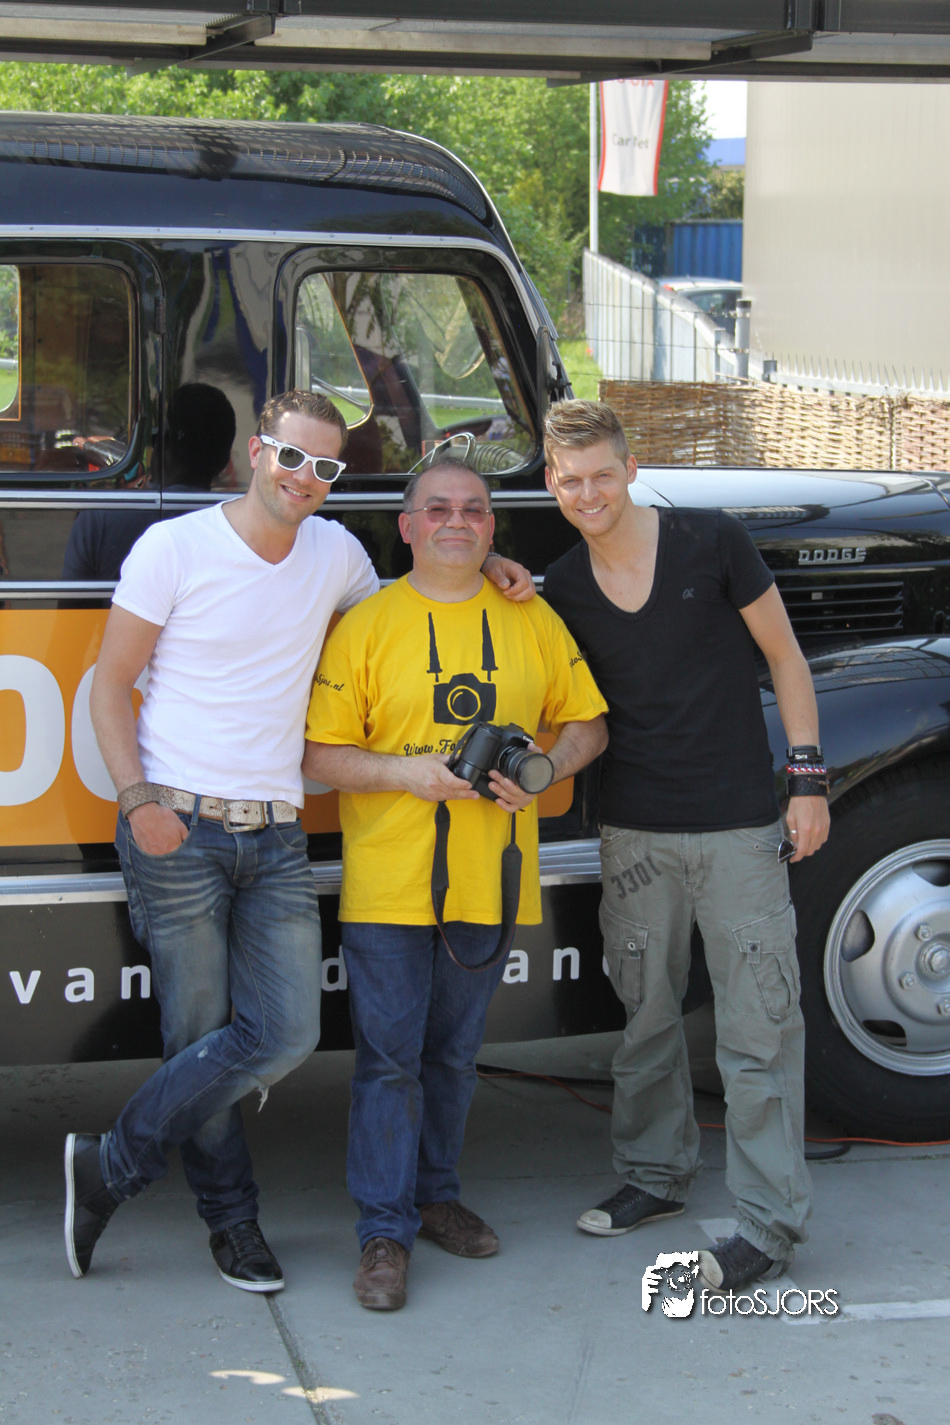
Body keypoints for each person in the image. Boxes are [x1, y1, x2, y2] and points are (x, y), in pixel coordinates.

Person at [65, 390, 531, 1295]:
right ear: (256, 451)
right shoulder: (174, 548)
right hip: (177, 825)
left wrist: (492, 562)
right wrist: (138, 800)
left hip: (276, 833)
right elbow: (110, 684)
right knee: (198, 1033)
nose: (305, 478)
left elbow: (414, 601)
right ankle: (231, 1220)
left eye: (325, 466)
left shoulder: (339, 555)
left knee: (287, 1033)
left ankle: (110, 1161)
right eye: (291, 456)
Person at [303, 457, 608, 1311]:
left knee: (453, 1057)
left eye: (474, 509)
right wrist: (409, 774)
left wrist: (544, 771)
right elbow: (318, 753)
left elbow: (588, 722)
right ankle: (383, 1231)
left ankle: (435, 1195)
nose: (457, 521)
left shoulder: (531, 615)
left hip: (490, 877)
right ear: (407, 526)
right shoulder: (367, 624)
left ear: (491, 528)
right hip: (390, 883)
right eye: (436, 508)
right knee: (389, 1062)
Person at [541, 399, 830, 1294]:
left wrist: (808, 780)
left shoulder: (713, 541)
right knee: (647, 1019)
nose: (589, 492)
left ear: (631, 469)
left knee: (758, 1028)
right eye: (570, 479)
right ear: (552, 483)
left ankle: (768, 1223)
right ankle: (655, 1176)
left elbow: (785, 657)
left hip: (740, 828)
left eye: (602, 473)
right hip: (634, 835)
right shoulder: (563, 584)